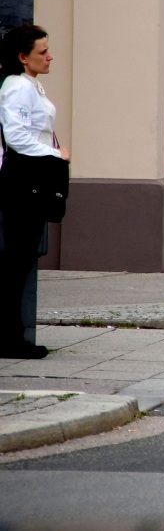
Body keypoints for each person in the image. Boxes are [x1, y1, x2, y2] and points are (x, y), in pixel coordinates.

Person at [0, 25, 69, 360]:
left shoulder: (32, 86)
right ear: (22, 57)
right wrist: (56, 155)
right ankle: (10, 339)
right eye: (42, 52)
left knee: (22, 259)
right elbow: (17, 136)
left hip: (32, 176)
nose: (50, 56)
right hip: (22, 179)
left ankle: (13, 336)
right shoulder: (17, 87)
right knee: (16, 260)